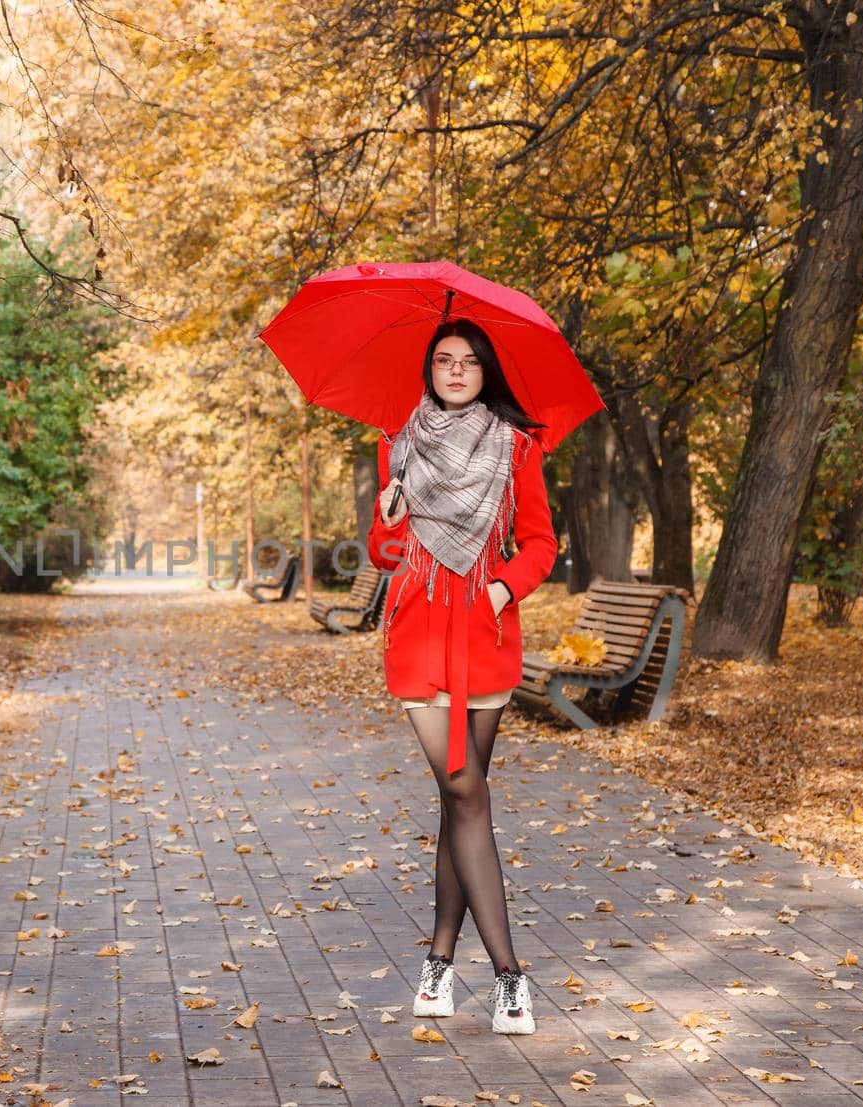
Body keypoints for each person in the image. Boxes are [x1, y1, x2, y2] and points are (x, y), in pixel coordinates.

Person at [366, 318, 557, 1036]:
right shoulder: (398, 442)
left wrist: (506, 585)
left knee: (459, 801)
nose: (455, 370)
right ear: (427, 369)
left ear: (486, 373)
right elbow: (385, 553)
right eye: (444, 360)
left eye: (469, 362)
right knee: (463, 787)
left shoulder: (516, 448)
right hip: (417, 633)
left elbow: (540, 541)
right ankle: (512, 975)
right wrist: (389, 517)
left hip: (485, 631)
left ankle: (439, 961)